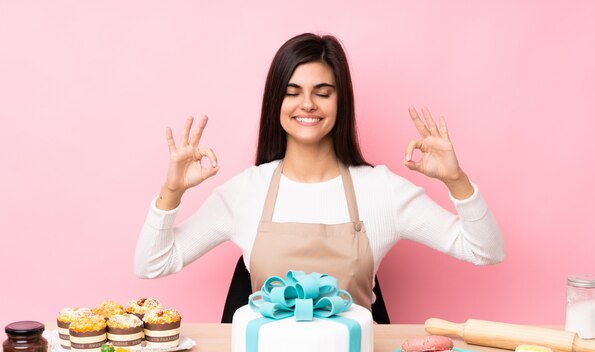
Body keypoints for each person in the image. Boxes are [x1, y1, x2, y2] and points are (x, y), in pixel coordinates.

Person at [134, 33, 504, 314]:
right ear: (275, 103)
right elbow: (153, 264)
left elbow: (484, 251)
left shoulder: (381, 190)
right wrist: (172, 191)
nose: (307, 104)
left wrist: (457, 181)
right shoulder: (247, 191)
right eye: (292, 92)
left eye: (322, 92)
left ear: (341, 102)